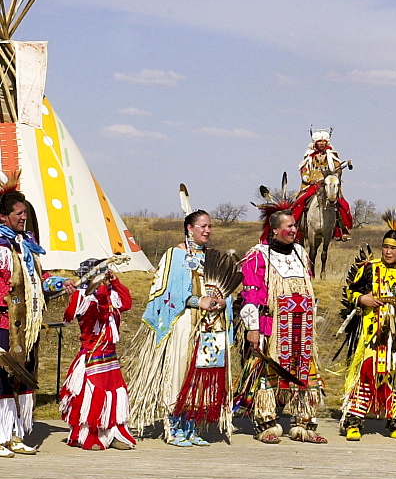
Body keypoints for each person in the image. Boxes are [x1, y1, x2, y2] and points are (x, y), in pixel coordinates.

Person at [127, 187, 234, 447]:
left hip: (210, 326)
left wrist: (222, 301)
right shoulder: (175, 255)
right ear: (189, 228)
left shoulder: (211, 257)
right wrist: (198, 301)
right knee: (180, 371)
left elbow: (223, 290)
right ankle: (174, 427)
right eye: (202, 226)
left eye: (209, 226)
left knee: (202, 372)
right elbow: (168, 291)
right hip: (184, 322)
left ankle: (193, 426)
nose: (207, 230)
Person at [236, 209, 326, 444]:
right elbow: (251, 296)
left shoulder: (301, 253)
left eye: (295, 225)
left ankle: (303, 424)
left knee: (305, 372)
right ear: (274, 230)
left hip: (301, 328)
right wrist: (252, 328)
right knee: (267, 374)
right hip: (271, 326)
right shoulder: (258, 256)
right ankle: (266, 423)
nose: (294, 230)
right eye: (288, 226)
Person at [340, 208, 396, 442]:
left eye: (393, 248)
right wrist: (362, 299)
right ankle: (353, 422)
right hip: (371, 332)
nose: (388, 252)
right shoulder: (369, 268)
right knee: (365, 375)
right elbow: (351, 290)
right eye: (385, 247)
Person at [0, 177, 72, 456]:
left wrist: (58, 284)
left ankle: (16, 434)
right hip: (4, 322)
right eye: (18, 213)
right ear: (4, 216)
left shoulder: (26, 245)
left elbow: (36, 280)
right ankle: (2, 435)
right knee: (4, 377)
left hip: (27, 325)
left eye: (25, 213)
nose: (23, 217)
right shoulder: (2, 247)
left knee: (22, 377)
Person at [59, 258, 136, 450]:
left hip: (110, 354)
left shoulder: (111, 294)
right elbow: (80, 315)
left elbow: (126, 304)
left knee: (114, 394)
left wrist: (115, 282)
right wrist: (96, 291)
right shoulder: (82, 297)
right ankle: (90, 434)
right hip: (92, 354)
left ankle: (114, 434)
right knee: (93, 395)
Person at [298, 128, 352, 241]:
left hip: (328, 185)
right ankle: (296, 228)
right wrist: (308, 179)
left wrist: (336, 174)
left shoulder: (332, 155)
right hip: (311, 185)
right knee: (298, 203)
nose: (322, 144)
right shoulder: (309, 156)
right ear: (315, 143)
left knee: (343, 205)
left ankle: (341, 230)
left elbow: (337, 169)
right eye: (320, 141)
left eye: (324, 141)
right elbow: (304, 169)